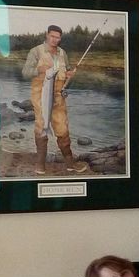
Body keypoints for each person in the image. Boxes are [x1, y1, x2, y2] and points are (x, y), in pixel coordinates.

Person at [22, 24, 88, 175]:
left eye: (57, 37)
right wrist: (39, 69)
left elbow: (67, 70)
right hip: (41, 96)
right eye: (52, 36)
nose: (54, 40)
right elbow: (25, 73)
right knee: (41, 127)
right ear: (47, 35)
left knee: (63, 130)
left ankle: (70, 164)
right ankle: (40, 165)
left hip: (58, 97)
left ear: (60, 38)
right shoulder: (36, 51)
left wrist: (70, 75)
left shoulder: (62, 53)